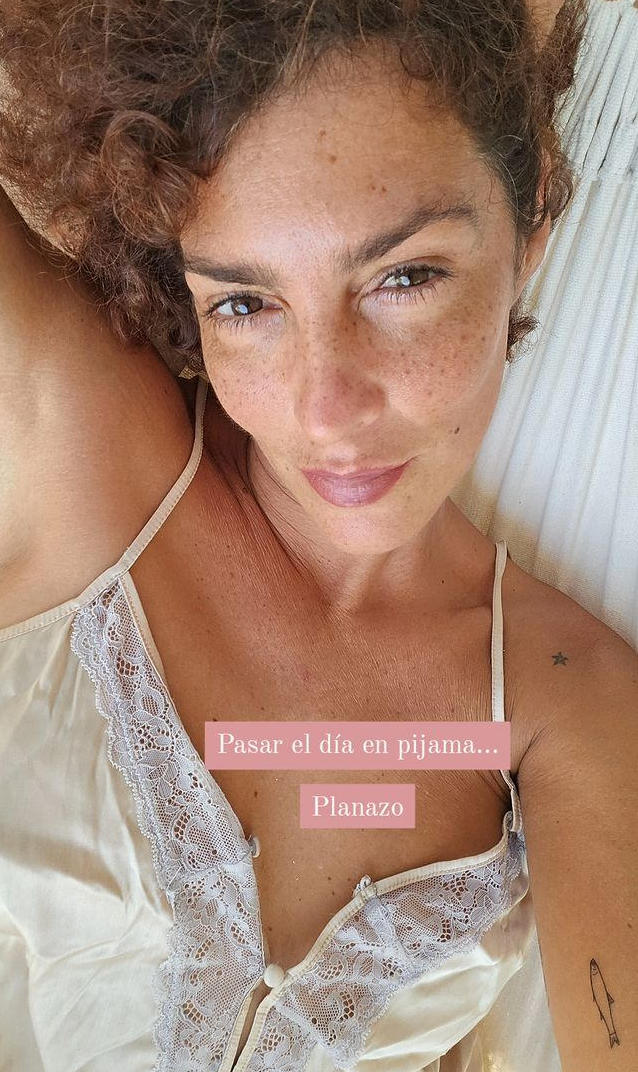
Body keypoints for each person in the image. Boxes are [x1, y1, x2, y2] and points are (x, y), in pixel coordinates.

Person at [0, 2, 635, 1071]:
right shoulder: (91, 450)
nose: (326, 411)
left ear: (529, 232)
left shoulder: (561, 700)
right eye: (245, 303)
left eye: (403, 277)